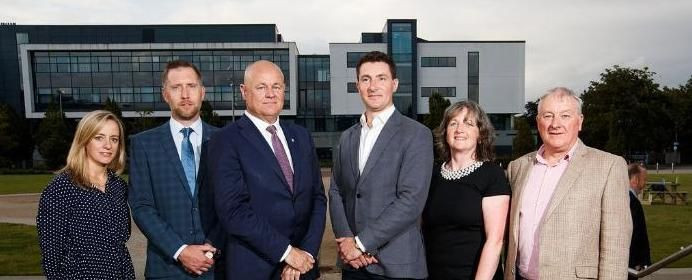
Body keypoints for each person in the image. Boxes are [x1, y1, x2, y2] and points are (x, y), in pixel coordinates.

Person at [207, 60, 326, 280]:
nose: (270, 94)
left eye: (277, 87)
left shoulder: (301, 136)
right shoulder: (225, 141)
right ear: (244, 91)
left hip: (302, 270)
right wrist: (288, 253)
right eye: (261, 87)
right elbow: (233, 211)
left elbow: (317, 198)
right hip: (254, 268)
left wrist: (306, 254)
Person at [504, 87, 632, 280]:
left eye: (565, 116)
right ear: (538, 122)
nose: (555, 124)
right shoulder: (518, 167)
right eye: (548, 116)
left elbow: (616, 244)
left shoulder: (609, 167)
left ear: (579, 121)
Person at [329, 51, 434, 279]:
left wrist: (361, 243)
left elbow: (411, 201)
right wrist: (347, 242)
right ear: (357, 85)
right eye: (366, 79)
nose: (373, 86)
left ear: (394, 84)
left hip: (396, 266)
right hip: (354, 266)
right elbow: (337, 190)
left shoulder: (416, 134)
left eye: (381, 78)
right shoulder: (347, 137)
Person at [129, 60, 222, 279]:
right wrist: (180, 251)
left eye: (191, 86)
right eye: (176, 87)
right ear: (165, 94)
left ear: (202, 92)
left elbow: (236, 201)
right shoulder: (144, 144)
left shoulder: (225, 141)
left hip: (217, 268)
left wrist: (212, 246)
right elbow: (142, 207)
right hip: (166, 269)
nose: (185, 94)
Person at [37, 110, 134, 279]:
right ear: (84, 140)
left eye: (114, 139)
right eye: (99, 137)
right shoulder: (61, 188)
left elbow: (120, 243)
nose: (108, 145)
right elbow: (52, 258)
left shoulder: (119, 186)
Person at [422, 101, 510, 280]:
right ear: (445, 132)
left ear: (480, 134)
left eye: (468, 123)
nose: (459, 129)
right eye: (453, 123)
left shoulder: (492, 175)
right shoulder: (431, 175)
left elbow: (495, 241)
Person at [627, 163, 651, 278]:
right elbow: (637, 233)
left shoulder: (622, 197)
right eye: (644, 179)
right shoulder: (633, 202)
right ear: (636, 180)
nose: (645, 183)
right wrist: (641, 261)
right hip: (631, 262)